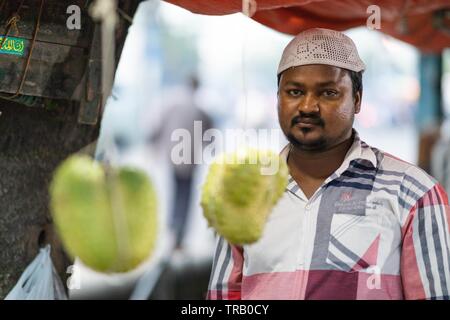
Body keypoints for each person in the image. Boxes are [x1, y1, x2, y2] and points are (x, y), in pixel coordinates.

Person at [207, 28, 450, 300]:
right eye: (295, 91)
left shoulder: (413, 193)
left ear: (357, 100)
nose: (308, 106)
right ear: (278, 97)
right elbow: (223, 296)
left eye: (328, 93)